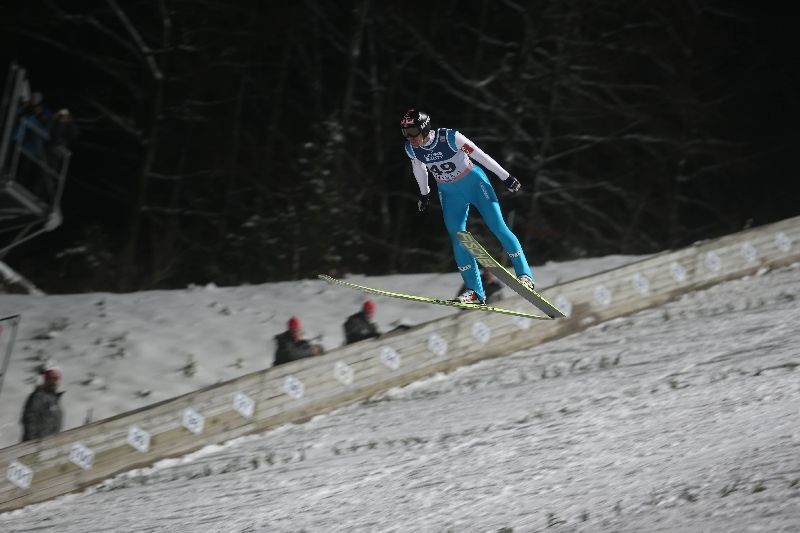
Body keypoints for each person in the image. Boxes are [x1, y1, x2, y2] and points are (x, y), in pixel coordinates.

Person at [401, 109, 535, 304]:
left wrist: (505, 177)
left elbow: (481, 155)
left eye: (412, 131)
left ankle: (525, 275)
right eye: (405, 132)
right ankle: (475, 291)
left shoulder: (450, 137)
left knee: (497, 226)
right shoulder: (412, 148)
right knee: (458, 237)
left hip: (474, 183)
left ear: (424, 127)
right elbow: (419, 168)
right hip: (449, 192)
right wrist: (424, 193)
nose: (410, 137)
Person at [20, 368, 64, 442]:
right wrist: (32, 441)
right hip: (37, 443)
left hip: (50, 442)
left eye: (57, 379)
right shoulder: (38, 396)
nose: (55, 382)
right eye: (52, 379)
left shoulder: (54, 398)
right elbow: (29, 418)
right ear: (46, 380)